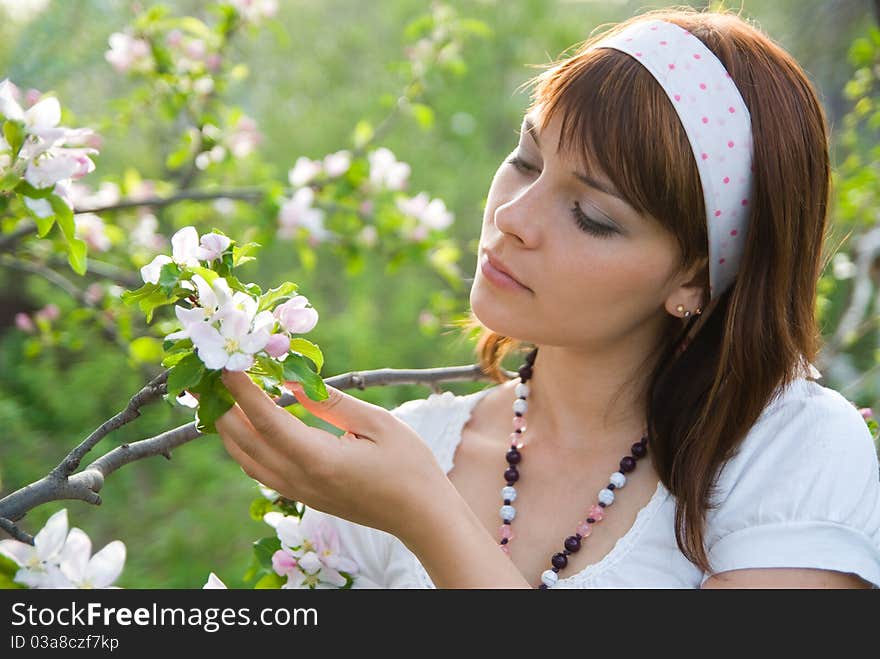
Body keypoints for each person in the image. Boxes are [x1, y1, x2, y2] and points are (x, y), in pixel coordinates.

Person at [214, 6, 880, 588]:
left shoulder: (795, 454)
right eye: (527, 160)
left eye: (590, 213)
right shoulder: (411, 449)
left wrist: (423, 512)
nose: (513, 217)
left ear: (695, 279)